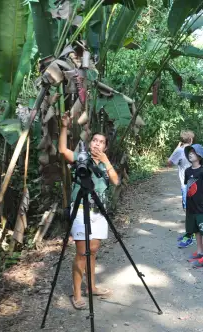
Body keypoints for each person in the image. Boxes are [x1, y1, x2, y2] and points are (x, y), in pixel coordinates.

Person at [59, 113, 120, 310]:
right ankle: (77, 293)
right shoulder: (82, 158)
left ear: (105, 147)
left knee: (93, 251)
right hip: (80, 209)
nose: (96, 144)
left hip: (98, 211)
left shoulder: (105, 163)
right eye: (94, 140)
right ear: (90, 142)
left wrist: (106, 160)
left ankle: (91, 287)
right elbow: (62, 150)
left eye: (101, 142)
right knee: (81, 253)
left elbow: (116, 181)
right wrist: (64, 127)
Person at [183, 144, 203, 268]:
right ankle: (199, 251)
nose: (190, 154)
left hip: (200, 208)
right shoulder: (187, 171)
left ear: (199, 156)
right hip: (191, 207)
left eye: (193, 152)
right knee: (195, 230)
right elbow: (187, 187)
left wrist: (200, 197)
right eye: (189, 152)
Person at [167, 130, 196, 248]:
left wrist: (176, 148)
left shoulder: (180, 150)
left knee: (188, 210)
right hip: (196, 183)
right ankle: (189, 232)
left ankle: (190, 235)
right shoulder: (194, 150)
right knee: (191, 209)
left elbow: (169, 163)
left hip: (186, 185)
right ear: (191, 140)